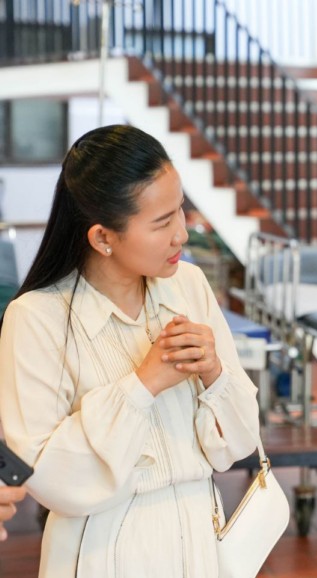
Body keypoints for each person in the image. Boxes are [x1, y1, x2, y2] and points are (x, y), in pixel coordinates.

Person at [0, 125, 262, 577]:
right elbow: (46, 475)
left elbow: (237, 444)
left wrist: (215, 372)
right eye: (162, 223)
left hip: (202, 542)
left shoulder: (188, 285)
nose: (182, 234)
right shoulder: (37, 318)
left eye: (180, 211)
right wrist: (144, 383)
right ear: (103, 237)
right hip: (102, 553)